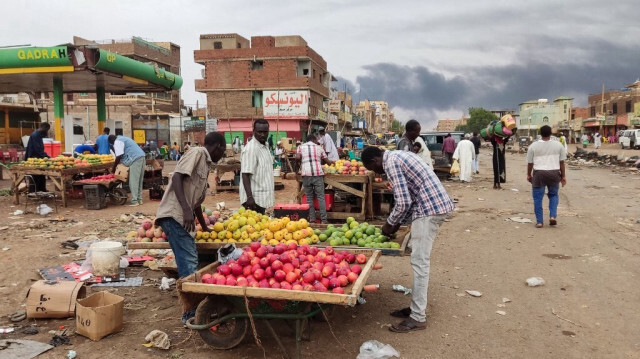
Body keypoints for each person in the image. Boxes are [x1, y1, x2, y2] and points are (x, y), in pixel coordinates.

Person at [361, 146, 455, 333]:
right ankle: (415, 308)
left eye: (373, 169)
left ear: (375, 161)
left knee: (420, 262)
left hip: (429, 210)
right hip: (432, 206)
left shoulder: (391, 163)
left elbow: (403, 201)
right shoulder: (398, 156)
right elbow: (409, 197)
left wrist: (390, 223)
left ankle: (418, 317)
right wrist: (397, 223)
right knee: (419, 261)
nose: (377, 173)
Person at [155, 132, 226, 322]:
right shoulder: (197, 153)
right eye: (224, 151)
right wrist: (186, 210)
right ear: (218, 147)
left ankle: (194, 311)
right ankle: (191, 314)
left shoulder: (206, 165)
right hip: (174, 216)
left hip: (182, 217)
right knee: (190, 264)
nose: (223, 155)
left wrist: (204, 227)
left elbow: (195, 204)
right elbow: (177, 177)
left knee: (189, 262)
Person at [526, 125, 567, 228]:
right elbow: (561, 163)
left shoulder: (533, 146)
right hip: (554, 173)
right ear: (551, 133)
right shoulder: (558, 145)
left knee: (538, 198)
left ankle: (539, 222)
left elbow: (530, 163)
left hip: (539, 174)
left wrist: (529, 174)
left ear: (540, 133)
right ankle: (552, 216)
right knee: (553, 195)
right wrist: (563, 176)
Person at [296, 133, 334, 223]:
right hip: (318, 175)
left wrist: (298, 164)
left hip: (306, 175)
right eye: (316, 140)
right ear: (313, 140)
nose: (318, 141)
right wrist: (332, 163)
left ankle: (312, 219)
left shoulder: (301, 147)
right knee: (321, 197)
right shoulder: (319, 148)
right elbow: (327, 161)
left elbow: (297, 157)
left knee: (309, 198)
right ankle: (324, 220)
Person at [240, 119, 274, 214]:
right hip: (254, 201)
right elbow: (245, 174)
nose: (262, 135)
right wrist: (249, 197)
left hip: (263, 200)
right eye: (259, 132)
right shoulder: (251, 149)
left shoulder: (265, 147)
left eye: (265, 132)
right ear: (253, 131)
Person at [109, 134, 146, 206]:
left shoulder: (117, 142)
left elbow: (119, 156)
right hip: (141, 156)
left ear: (112, 141)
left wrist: (114, 168)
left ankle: (135, 201)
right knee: (139, 180)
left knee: (134, 181)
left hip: (135, 158)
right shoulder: (123, 138)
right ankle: (139, 199)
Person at [24, 122, 51, 192]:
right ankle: (33, 191)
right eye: (47, 130)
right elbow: (37, 149)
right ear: (44, 128)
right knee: (35, 175)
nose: (47, 132)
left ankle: (42, 189)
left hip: (38, 158)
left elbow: (40, 149)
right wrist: (47, 157)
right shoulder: (35, 135)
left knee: (41, 175)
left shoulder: (38, 135)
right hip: (33, 158)